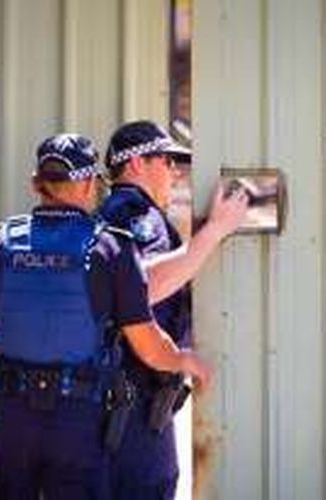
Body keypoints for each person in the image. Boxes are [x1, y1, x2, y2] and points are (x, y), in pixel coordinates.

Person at [0, 133, 212, 500]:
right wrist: (184, 360)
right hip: (81, 425)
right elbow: (148, 346)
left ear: (36, 183)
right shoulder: (110, 248)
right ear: (88, 184)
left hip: (10, 422)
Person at [97, 120, 248, 499]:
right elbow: (138, 287)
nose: (175, 172)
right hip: (132, 409)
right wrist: (215, 231)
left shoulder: (107, 215)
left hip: (116, 405)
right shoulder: (136, 214)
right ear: (134, 165)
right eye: (165, 160)